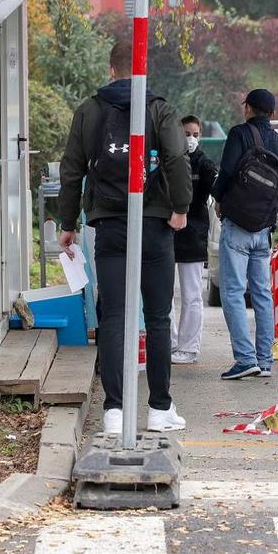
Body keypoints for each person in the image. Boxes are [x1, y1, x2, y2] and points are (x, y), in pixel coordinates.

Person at [57, 38, 192, 435]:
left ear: (111, 69)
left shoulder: (89, 110)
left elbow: (71, 169)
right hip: (155, 224)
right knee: (158, 316)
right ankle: (159, 408)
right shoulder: (159, 109)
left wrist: (68, 223)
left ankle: (114, 411)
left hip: (110, 224)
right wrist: (180, 207)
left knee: (115, 315)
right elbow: (176, 158)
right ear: (143, 69)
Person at [210, 89, 278, 380]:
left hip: (237, 225)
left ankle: (244, 359)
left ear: (248, 109)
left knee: (233, 292)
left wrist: (218, 198)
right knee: (263, 293)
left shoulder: (239, 134)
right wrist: (274, 205)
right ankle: (264, 361)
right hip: (264, 228)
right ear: (273, 113)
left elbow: (227, 171)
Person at [170, 115, 217, 365]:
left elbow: (217, 190)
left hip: (193, 235)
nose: (191, 139)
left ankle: (188, 347)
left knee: (192, 294)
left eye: (195, 135)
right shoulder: (168, 159)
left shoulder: (205, 164)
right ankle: (168, 342)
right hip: (167, 234)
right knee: (163, 294)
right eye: (187, 134)